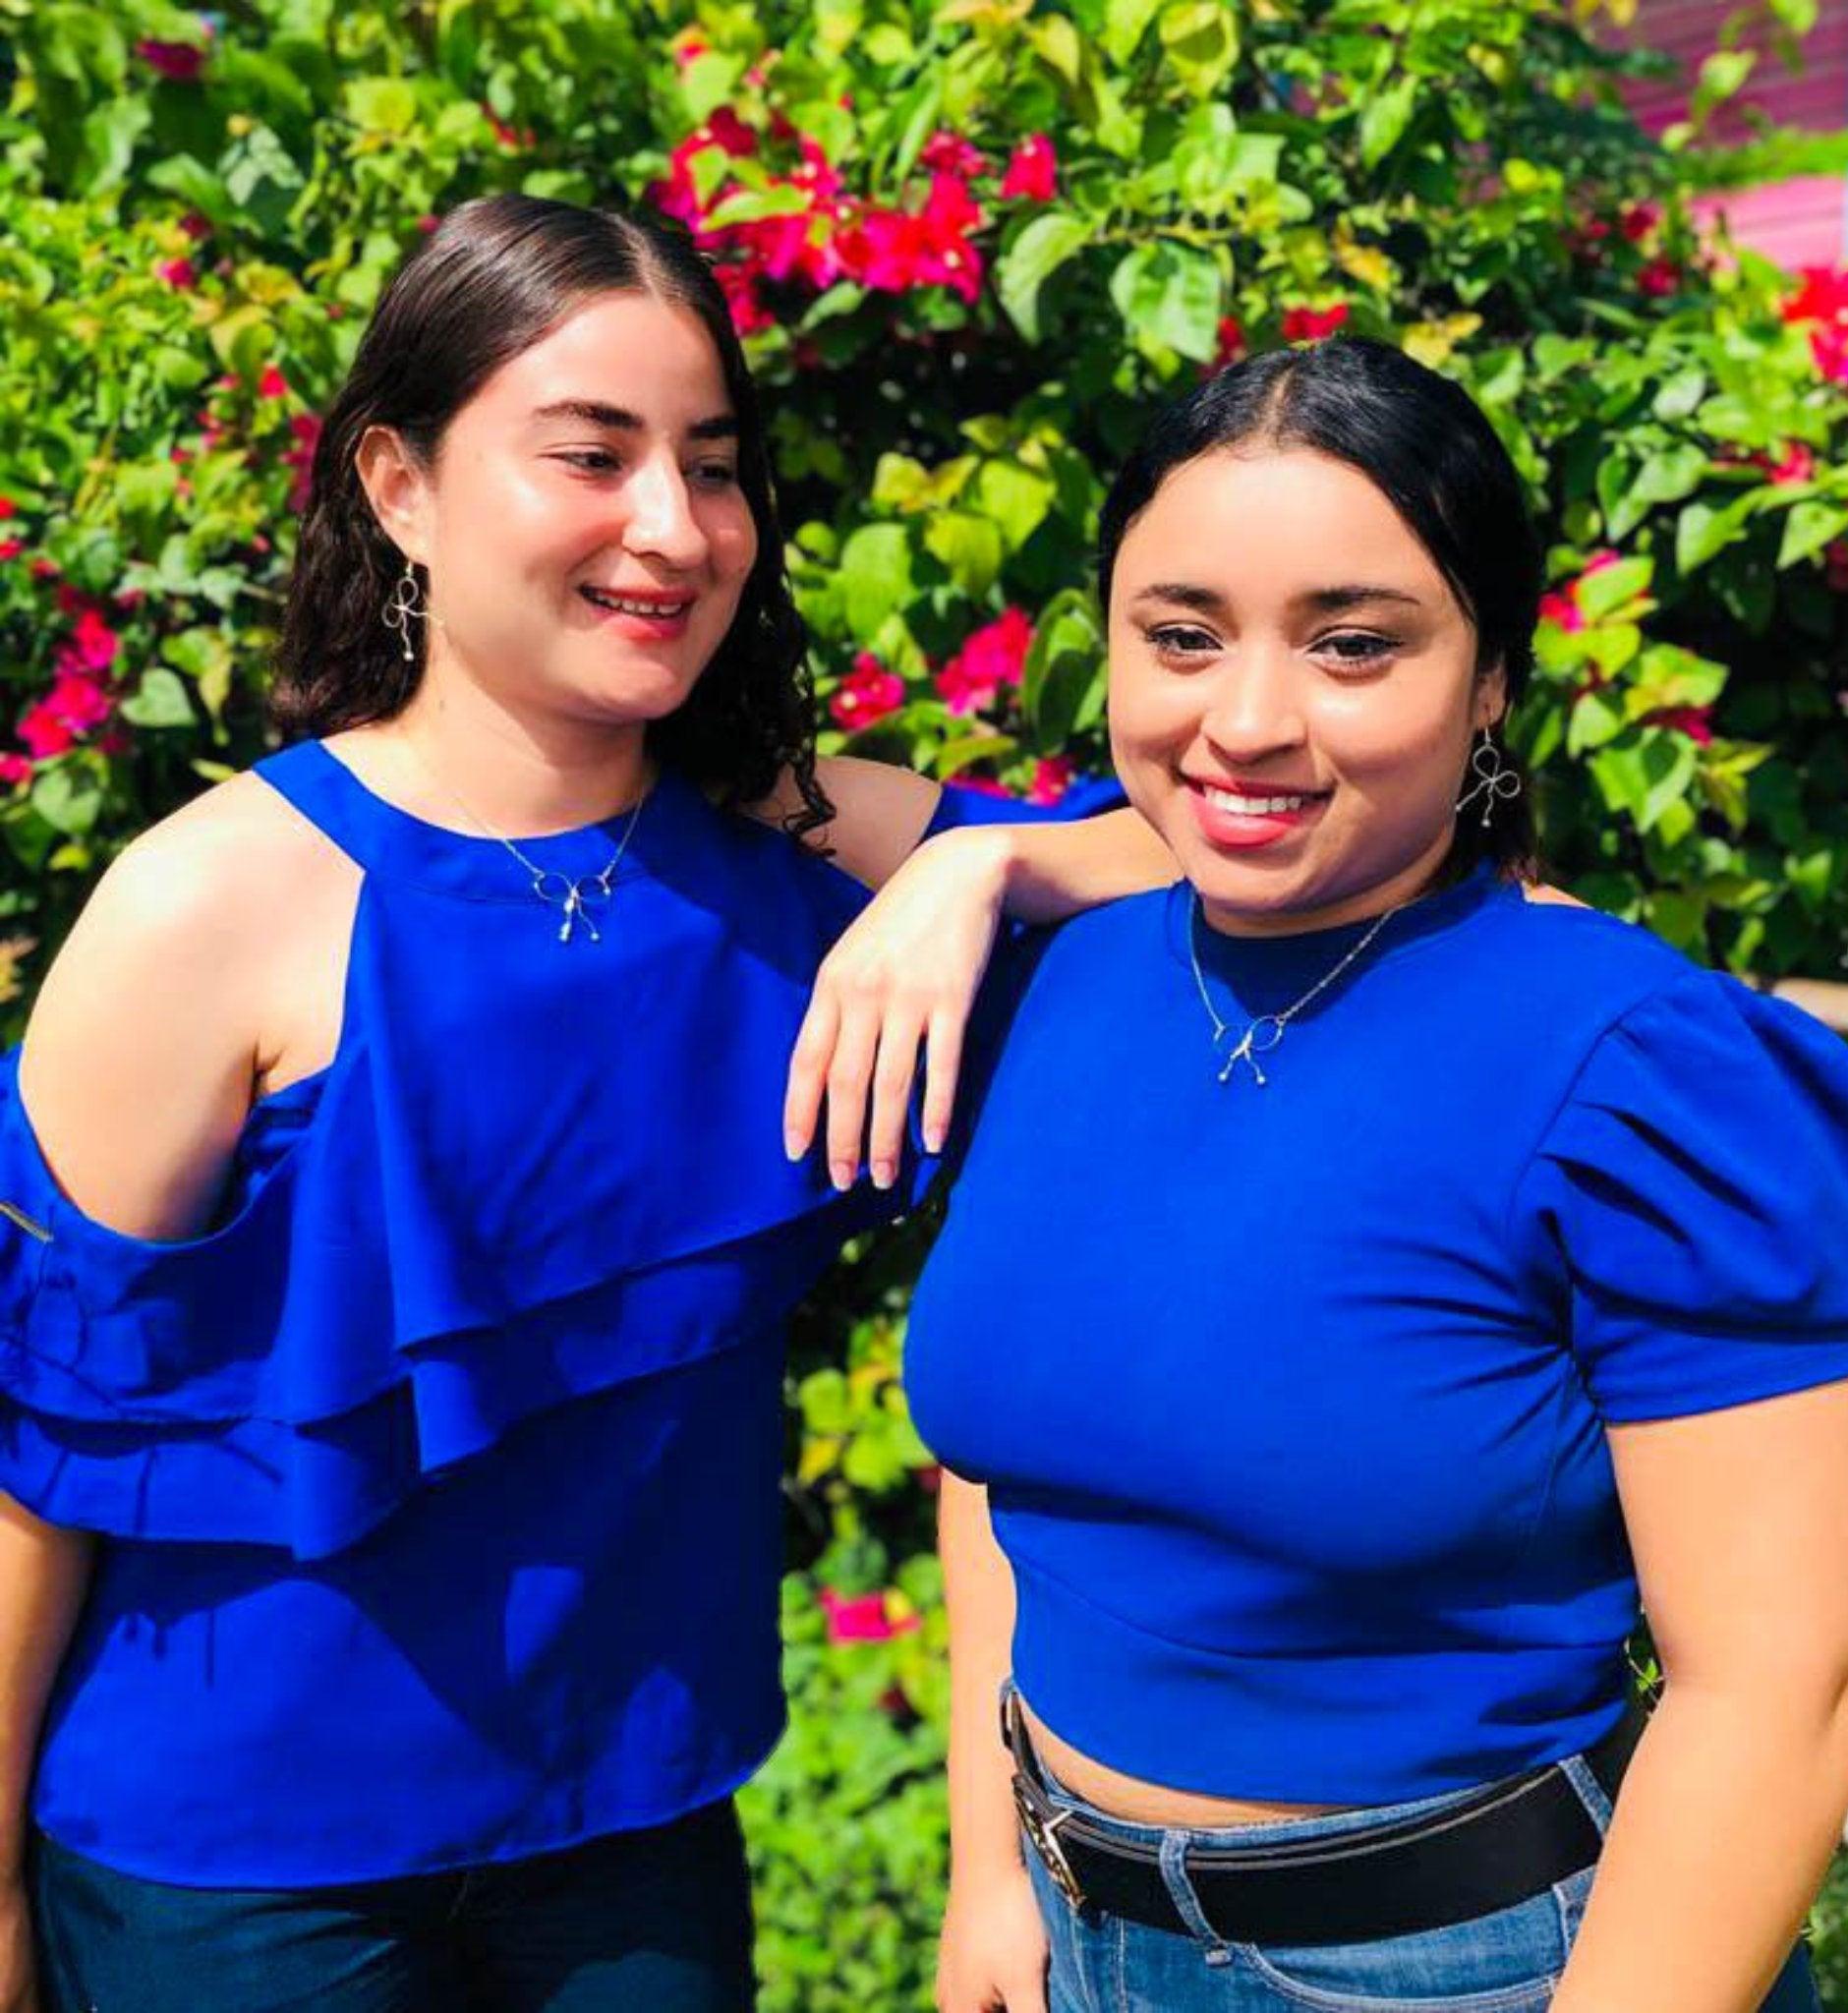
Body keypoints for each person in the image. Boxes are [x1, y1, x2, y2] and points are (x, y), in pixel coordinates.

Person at [0, 194, 1167, 2013]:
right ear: (399, 484)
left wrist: (977, 866)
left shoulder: (792, 844)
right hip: (230, 1887)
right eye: (592, 454)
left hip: (634, 1844)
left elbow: (1233, 857)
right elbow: (34, 1452)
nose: (674, 527)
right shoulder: (199, 905)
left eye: (711, 464)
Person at [909, 336, 1848, 2013]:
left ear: (1491, 677)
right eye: (1182, 636)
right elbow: (1004, 1475)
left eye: (1354, 644)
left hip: (1475, 1965)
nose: (1247, 721)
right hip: (1079, 1932)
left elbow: (1785, 1685)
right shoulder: (1062, 979)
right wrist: (989, 1871)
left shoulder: (1638, 1067)